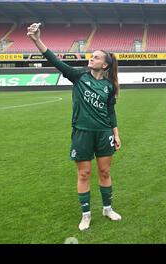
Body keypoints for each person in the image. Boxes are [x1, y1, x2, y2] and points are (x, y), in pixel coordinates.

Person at [27, 23, 122, 231]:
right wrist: (37, 40)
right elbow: (55, 61)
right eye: (92, 55)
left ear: (105, 65)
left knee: (104, 171)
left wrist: (116, 133)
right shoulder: (78, 76)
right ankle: (86, 215)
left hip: (104, 132)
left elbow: (111, 112)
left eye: (97, 57)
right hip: (82, 133)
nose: (92, 58)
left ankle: (107, 208)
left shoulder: (109, 86)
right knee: (84, 174)